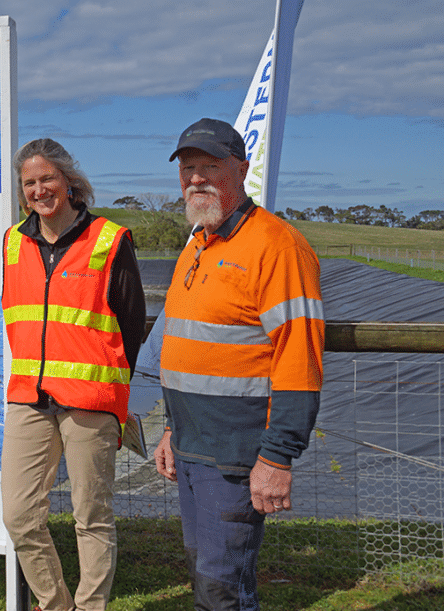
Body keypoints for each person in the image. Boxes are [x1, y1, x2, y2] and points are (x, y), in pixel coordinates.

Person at [153, 118, 324, 610]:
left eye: (211, 166)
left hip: (235, 455)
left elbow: (300, 358)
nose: (197, 178)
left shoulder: (277, 245)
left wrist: (276, 458)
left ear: (243, 170)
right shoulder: (199, 245)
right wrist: (171, 429)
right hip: (191, 446)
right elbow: (191, 350)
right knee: (206, 575)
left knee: (224, 587)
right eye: (189, 168)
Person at [1, 138, 146, 611]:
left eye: (47, 179)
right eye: (29, 183)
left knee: (92, 517)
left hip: (91, 402)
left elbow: (130, 329)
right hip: (29, 397)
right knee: (19, 514)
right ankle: (56, 603)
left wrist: (116, 401)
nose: (39, 190)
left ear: (69, 182)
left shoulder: (109, 240)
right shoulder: (13, 243)